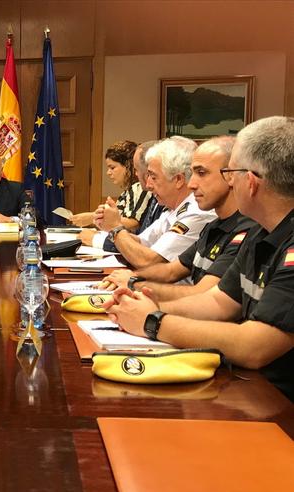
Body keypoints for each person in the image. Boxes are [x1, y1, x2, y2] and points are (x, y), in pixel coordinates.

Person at [105, 116, 294, 400]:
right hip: (247, 388)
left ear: (251, 182)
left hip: (277, 408)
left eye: (231, 172)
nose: (230, 180)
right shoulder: (261, 233)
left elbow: (257, 346)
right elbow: (218, 302)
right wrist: (143, 302)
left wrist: (154, 322)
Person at [99, 136, 256, 301]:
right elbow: (170, 271)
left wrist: (134, 283)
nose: (192, 184)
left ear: (230, 176)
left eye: (201, 173)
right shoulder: (215, 225)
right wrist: (130, 276)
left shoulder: (239, 227)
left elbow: (204, 297)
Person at [85, 137, 216, 269]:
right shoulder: (171, 210)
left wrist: (116, 228)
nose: (148, 185)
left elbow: (148, 261)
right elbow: (141, 241)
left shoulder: (196, 213)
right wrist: (110, 226)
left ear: (178, 180)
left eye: (153, 177)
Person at [70, 140, 150, 230]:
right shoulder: (127, 193)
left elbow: (133, 224)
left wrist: (93, 217)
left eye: (112, 167)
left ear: (128, 165)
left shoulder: (138, 188)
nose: (108, 173)